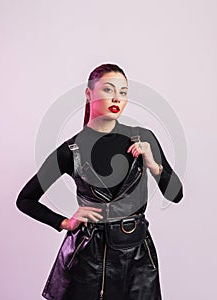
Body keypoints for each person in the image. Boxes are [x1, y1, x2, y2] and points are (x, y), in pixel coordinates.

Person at [16, 63, 183, 300]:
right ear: (88, 93)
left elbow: (176, 194)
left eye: (123, 92)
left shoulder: (143, 138)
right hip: (87, 260)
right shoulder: (69, 150)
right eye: (108, 89)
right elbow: (25, 199)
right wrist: (64, 222)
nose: (117, 97)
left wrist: (153, 165)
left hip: (135, 257)